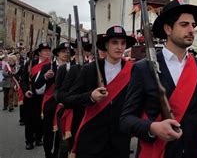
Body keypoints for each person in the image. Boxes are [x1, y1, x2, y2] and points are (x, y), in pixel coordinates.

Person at [120, 0, 197, 158]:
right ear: (168, 29)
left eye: (193, 25)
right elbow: (126, 119)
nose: (192, 29)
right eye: (184, 25)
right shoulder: (143, 68)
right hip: (156, 152)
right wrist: (152, 128)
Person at [66, 26, 136, 158]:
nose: (119, 47)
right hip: (91, 139)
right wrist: (90, 97)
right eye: (114, 42)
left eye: (123, 43)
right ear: (106, 45)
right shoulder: (89, 70)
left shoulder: (133, 70)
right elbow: (69, 99)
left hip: (120, 140)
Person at [35, 42, 74, 158]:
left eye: (68, 52)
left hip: (65, 104)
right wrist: (46, 77)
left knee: (61, 134)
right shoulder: (48, 67)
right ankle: (48, 153)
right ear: (57, 53)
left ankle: (58, 153)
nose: (65, 54)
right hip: (50, 104)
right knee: (48, 132)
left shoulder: (74, 67)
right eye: (63, 51)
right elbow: (37, 84)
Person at [20, 43, 52, 150]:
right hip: (30, 95)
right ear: (39, 53)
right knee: (29, 120)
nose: (47, 52)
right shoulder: (30, 63)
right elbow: (23, 80)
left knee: (41, 119)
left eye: (48, 50)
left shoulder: (52, 65)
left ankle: (39, 138)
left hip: (44, 97)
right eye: (44, 50)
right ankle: (29, 141)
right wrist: (25, 91)